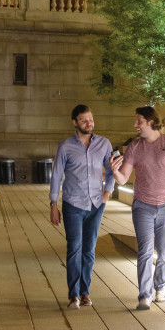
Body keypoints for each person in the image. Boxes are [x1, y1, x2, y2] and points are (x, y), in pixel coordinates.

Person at [111, 107, 165, 311]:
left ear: (151, 122)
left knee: (164, 250)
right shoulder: (134, 147)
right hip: (142, 206)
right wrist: (113, 171)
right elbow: (123, 178)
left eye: (139, 121)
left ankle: (160, 288)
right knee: (145, 250)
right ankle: (144, 295)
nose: (135, 125)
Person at [49, 104, 116, 308]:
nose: (89, 123)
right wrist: (53, 203)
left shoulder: (104, 144)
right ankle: (73, 295)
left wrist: (107, 193)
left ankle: (85, 293)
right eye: (84, 120)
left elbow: (112, 169)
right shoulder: (65, 147)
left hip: (96, 204)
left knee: (89, 249)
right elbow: (57, 175)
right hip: (73, 204)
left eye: (91, 119)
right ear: (75, 123)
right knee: (74, 248)